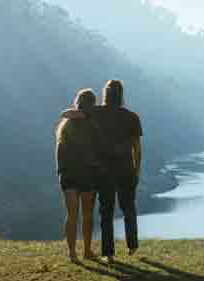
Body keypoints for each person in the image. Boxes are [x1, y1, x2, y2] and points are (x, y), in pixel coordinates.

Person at [94, 78, 143, 265]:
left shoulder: (96, 113)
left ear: (105, 94)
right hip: (126, 169)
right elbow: (137, 149)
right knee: (128, 208)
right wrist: (137, 171)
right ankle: (132, 245)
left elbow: (76, 112)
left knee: (106, 211)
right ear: (121, 94)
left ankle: (108, 253)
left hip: (104, 170)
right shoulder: (132, 117)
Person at [55, 88, 102, 263]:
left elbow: (60, 150)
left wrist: (61, 171)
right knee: (87, 215)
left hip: (68, 174)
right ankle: (87, 251)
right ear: (93, 104)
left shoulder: (65, 124)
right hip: (88, 173)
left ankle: (72, 253)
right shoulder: (93, 124)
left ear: (78, 102)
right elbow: (98, 149)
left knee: (71, 215)